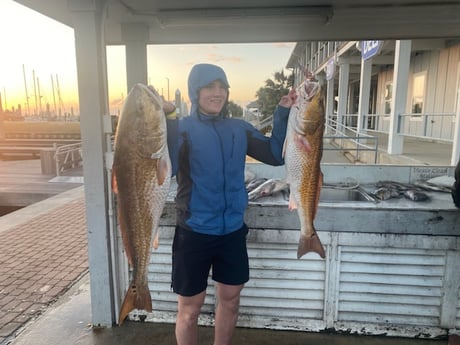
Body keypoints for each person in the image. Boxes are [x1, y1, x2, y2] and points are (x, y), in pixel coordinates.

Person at [163, 63, 296, 345]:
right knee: (189, 310)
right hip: (194, 231)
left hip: (232, 231)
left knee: (231, 300)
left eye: (222, 87)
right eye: (210, 87)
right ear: (195, 92)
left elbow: (275, 155)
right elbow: (170, 168)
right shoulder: (184, 129)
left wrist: (282, 112)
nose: (218, 93)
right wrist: (170, 120)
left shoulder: (239, 128)